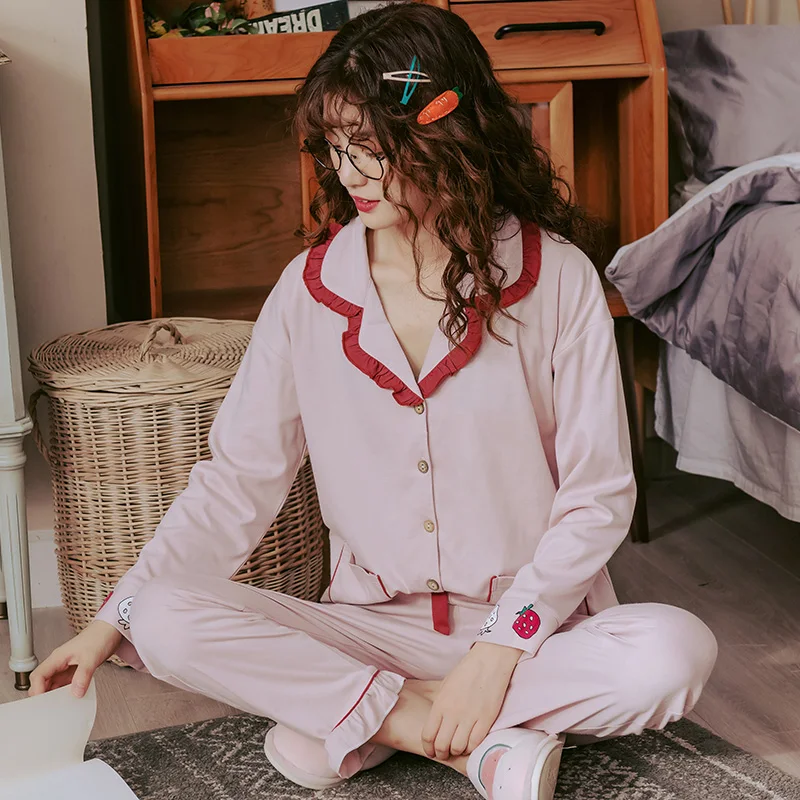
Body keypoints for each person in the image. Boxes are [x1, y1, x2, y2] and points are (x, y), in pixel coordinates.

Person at [29, 4, 718, 799]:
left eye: (370, 146)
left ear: (443, 129)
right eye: (335, 145)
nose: (348, 170)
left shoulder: (557, 277)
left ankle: (363, 716)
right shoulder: (309, 292)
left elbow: (597, 496)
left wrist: (495, 654)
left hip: (532, 625)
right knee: (158, 616)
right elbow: (235, 484)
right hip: (368, 628)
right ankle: (447, 735)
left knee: (672, 652)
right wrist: (108, 620)